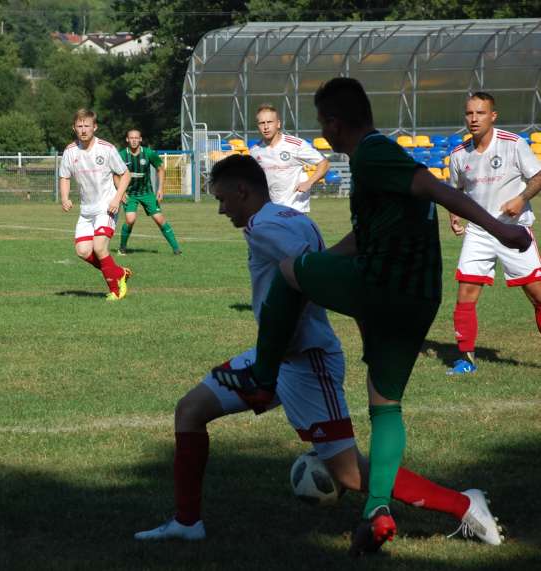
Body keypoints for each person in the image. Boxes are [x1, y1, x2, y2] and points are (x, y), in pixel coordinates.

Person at [215, 78, 529, 556]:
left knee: (286, 271)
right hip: (417, 299)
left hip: (382, 283)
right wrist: (325, 267)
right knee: (385, 406)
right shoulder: (372, 168)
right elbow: (363, 237)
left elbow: (429, 185)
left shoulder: (373, 153)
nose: (324, 133)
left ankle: (262, 374)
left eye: (324, 123)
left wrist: (499, 228)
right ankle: (376, 509)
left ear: (336, 122)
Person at [133, 155, 503, 549]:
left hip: (307, 362)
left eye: (223, 199)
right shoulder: (290, 216)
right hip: (274, 356)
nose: (222, 209)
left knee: (348, 473)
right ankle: (187, 522)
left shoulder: (265, 228)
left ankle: (463, 503)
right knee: (190, 410)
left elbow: (309, 272)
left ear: (243, 191)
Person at [446, 92, 541, 375]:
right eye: (469, 114)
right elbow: (455, 192)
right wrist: (454, 216)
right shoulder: (458, 154)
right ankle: (466, 359)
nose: (474, 119)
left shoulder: (514, 145)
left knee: (537, 295)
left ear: (493, 116)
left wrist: (521, 199)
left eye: (480, 113)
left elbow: (538, 177)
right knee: (466, 293)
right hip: (479, 232)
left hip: (514, 232)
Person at [59, 109, 132, 301]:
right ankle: (118, 273)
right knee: (83, 251)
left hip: (106, 207)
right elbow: (64, 176)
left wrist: (117, 198)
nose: (83, 130)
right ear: (74, 128)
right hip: (86, 211)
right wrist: (65, 197)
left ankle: (116, 291)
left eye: (87, 126)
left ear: (95, 127)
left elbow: (125, 174)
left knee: (100, 247)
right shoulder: (69, 151)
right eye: (79, 126)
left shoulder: (106, 149)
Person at [250, 103, 329, 213]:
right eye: (262, 123)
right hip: (271, 209)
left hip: (295, 209)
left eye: (270, 122)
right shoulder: (255, 151)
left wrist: (309, 182)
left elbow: (324, 163)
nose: (266, 127)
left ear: (278, 124)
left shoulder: (295, 145)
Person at [117, 129, 181, 255]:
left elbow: (160, 169)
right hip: (130, 194)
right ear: (127, 139)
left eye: (136, 138)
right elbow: (115, 174)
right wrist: (121, 192)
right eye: (131, 138)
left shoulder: (148, 153)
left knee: (159, 219)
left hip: (147, 193)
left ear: (140, 139)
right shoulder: (122, 155)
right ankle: (122, 248)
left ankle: (176, 250)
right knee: (130, 220)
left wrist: (160, 188)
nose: (134, 140)